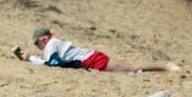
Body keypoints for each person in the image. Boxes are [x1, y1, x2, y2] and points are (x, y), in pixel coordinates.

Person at [18, 27, 182, 73]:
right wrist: (31, 58)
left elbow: (53, 64)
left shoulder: (52, 44)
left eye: (37, 43)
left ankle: (165, 65)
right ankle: (163, 66)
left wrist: (31, 59)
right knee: (131, 68)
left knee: (132, 67)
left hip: (94, 60)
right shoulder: (53, 43)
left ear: (44, 39)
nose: (37, 46)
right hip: (92, 59)